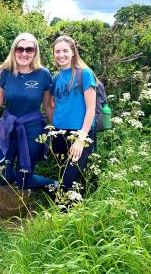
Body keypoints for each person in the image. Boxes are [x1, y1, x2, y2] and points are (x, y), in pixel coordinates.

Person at [0, 32, 56, 190]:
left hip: (32, 129)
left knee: (24, 179)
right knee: (1, 175)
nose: (24, 53)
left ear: (35, 52)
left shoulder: (43, 74)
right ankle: (18, 181)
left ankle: (52, 184)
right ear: (14, 50)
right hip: (8, 127)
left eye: (29, 49)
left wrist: (57, 129)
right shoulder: (6, 72)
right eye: (20, 49)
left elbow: (47, 106)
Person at [50, 35, 97, 192]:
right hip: (59, 133)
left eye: (65, 51)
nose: (61, 55)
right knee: (64, 176)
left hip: (80, 132)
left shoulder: (84, 74)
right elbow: (55, 104)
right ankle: (75, 208)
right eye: (57, 52)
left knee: (67, 181)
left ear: (73, 52)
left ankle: (62, 214)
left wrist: (81, 138)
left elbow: (91, 108)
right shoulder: (56, 78)